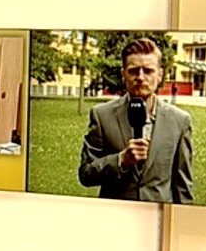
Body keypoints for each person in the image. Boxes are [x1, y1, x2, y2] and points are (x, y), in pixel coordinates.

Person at [77, 37, 194, 204]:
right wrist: (121, 160)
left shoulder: (179, 121)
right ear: (123, 75)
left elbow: (183, 187)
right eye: (133, 71)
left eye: (148, 71)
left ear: (160, 75)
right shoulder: (102, 115)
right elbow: (86, 174)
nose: (140, 77)